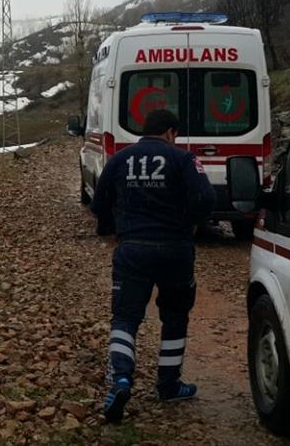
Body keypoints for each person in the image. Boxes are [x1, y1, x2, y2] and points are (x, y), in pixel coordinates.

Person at [90, 108, 216, 423]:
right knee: (175, 315)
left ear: (144, 130)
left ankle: (121, 380)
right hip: (176, 250)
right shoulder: (184, 160)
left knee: (125, 317)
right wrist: (190, 223)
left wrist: (112, 228)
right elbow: (206, 199)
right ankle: (168, 385)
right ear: (171, 132)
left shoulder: (120, 159)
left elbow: (99, 201)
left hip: (132, 249)